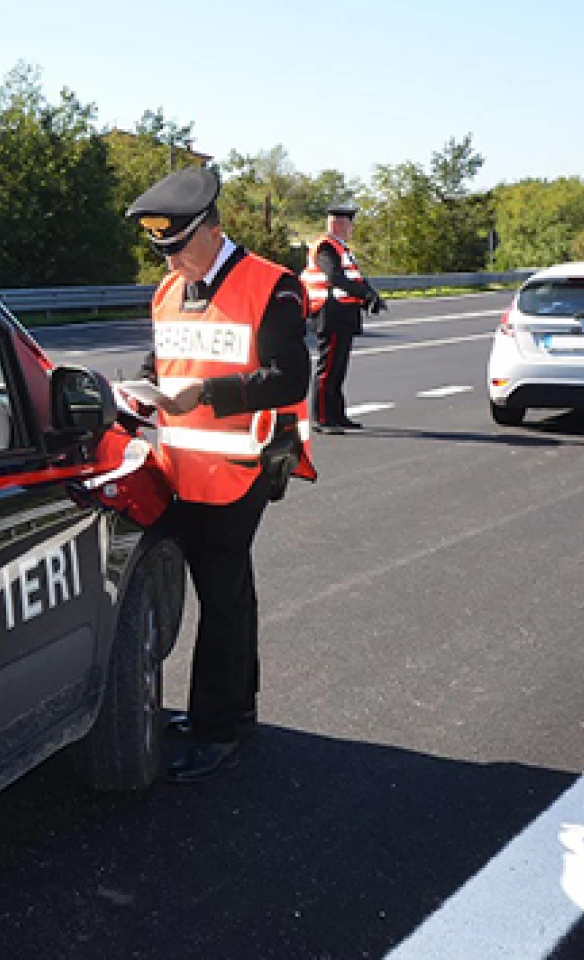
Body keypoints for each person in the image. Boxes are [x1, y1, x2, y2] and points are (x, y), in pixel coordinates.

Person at [127, 166, 312, 783]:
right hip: (178, 469)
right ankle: (237, 709)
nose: (171, 259)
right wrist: (139, 393)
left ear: (213, 229)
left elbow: (290, 378)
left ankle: (217, 728)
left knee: (219, 596)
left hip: (238, 468)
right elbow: (160, 358)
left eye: (179, 246)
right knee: (231, 590)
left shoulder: (272, 285)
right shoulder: (167, 291)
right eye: (162, 250)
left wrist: (203, 394)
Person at [300, 203, 386, 432]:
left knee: (338, 368)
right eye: (348, 224)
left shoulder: (341, 248)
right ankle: (322, 419)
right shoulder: (326, 247)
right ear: (338, 224)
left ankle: (337, 415)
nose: (351, 229)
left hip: (343, 313)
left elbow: (353, 277)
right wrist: (365, 295)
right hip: (330, 312)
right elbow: (335, 277)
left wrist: (371, 296)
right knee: (328, 368)